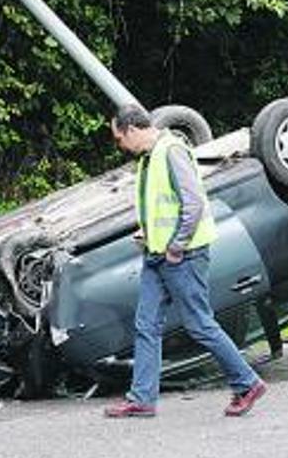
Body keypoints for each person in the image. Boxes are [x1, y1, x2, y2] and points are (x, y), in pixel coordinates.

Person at [104, 104, 267, 418]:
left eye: (119, 138)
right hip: (156, 254)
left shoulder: (172, 151)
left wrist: (176, 246)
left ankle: (247, 383)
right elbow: (163, 204)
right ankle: (142, 399)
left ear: (132, 130)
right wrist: (147, 232)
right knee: (146, 325)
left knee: (200, 324)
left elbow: (193, 203)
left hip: (182, 255)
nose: (120, 145)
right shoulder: (149, 159)